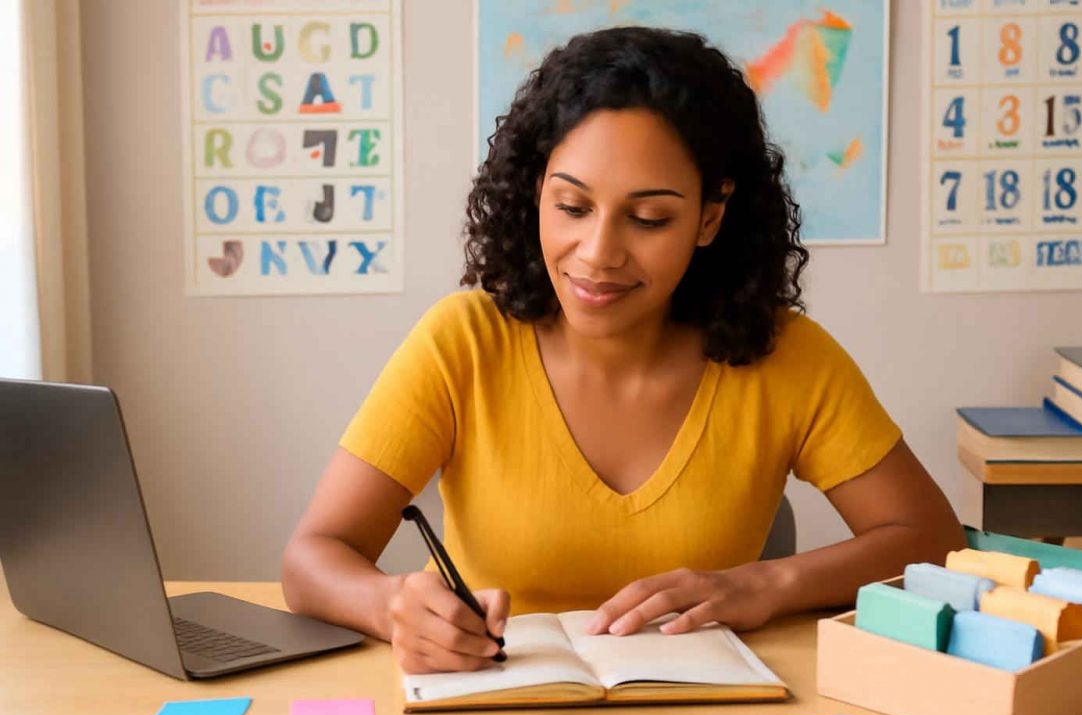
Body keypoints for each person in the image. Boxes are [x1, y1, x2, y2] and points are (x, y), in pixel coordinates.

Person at [281, 26, 965, 675]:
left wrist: (767, 584)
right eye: (572, 207)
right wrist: (393, 607)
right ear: (535, 195)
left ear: (709, 218)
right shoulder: (463, 342)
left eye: (648, 218)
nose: (599, 254)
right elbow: (313, 557)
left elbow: (933, 539)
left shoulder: (787, 358)